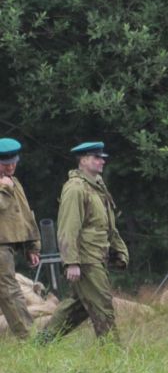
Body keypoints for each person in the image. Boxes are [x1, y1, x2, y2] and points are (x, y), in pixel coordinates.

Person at [40, 141, 126, 342]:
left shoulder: (97, 186)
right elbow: (68, 227)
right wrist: (71, 262)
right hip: (86, 258)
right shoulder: (75, 188)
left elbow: (107, 225)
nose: (102, 161)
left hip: (97, 255)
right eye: (96, 157)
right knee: (102, 304)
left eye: (102, 157)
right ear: (83, 160)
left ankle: (42, 342)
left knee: (77, 307)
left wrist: (119, 250)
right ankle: (112, 351)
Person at [0, 138, 40, 339]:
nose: (11, 166)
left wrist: (32, 246)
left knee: (10, 290)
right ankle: (29, 337)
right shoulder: (7, 185)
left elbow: (25, 215)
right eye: (6, 164)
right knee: (10, 290)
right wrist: (4, 189)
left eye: (14, 162)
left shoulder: (14, 182)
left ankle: (30, 335)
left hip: (8, 246)